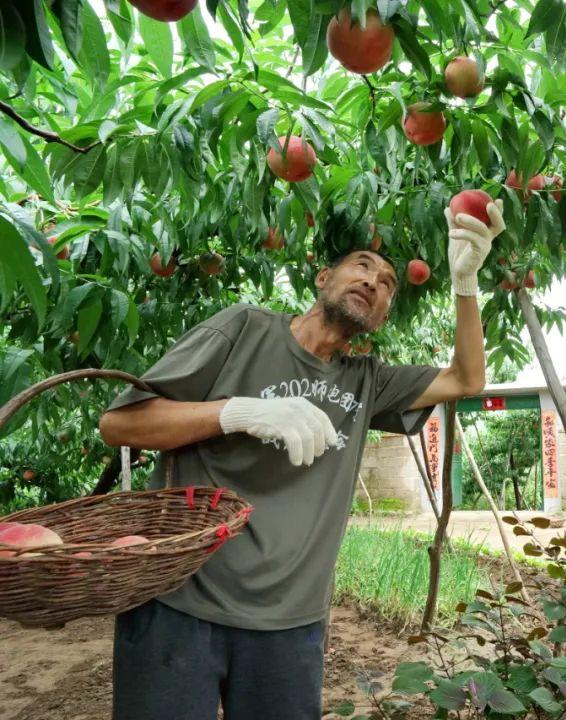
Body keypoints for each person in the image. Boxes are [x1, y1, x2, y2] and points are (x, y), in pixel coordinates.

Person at [97, 201, 505, 720]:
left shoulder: (368, 382)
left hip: (289, 625)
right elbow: (120, 425)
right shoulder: (243, 329)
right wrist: (237, 412)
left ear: (380, 320)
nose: (374, 280)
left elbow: (467, 380)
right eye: (361, 264)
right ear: (322, 276)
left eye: (387, 284)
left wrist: (465, 282)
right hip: (178, 603)